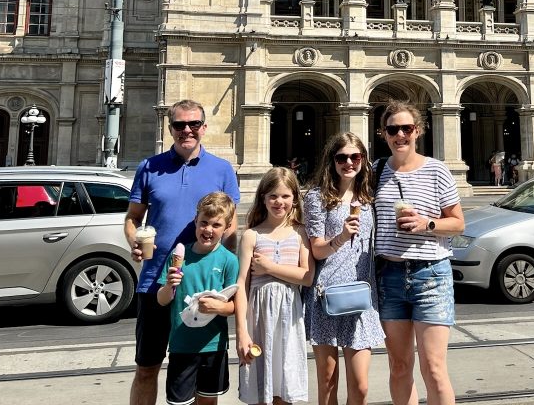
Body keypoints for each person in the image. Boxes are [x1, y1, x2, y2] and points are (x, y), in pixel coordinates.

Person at [125, 99, 241, 405]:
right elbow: (133, 218)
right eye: (179, 125)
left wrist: (226, 281)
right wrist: (135, 241)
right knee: (147, 369)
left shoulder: (222, 169)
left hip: (200, 290)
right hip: (154, 284)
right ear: (170, 127)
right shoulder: (149, 167)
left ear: (204, 127)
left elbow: (229, 228)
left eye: (193, 124)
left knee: (199, 379)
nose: (186, 130)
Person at [373, 100, 464, 405]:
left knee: (434, 368)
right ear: (383, 134)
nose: (400, 134)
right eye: (393, 129)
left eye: (406, 128)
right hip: (389, 276)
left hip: (431, 276)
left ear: (418, 131)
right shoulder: (375, 172)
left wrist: (427, 223)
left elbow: (457, 223)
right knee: (399, 367)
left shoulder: (437, 170)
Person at [303, 133, 385, 405]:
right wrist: (340, 237)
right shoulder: (318, 197)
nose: (349, 162)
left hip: (361, 295)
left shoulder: (369, 195)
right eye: (342, 157)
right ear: (332, 161)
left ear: (363, 159)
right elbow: (317, 250)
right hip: (326, 295)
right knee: (327, 383)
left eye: (355, 156)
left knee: (360, 387)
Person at [236, 168, 314, 405]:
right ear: (263, 198)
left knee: (285, 386)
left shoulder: (300, 233)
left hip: (288, 318)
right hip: (258, 318)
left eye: (285, 196)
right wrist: (241, 331)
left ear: (294, 198)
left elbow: (307, 276)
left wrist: (269, 267)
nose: (279, 202)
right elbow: (241, 284)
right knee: (260, 388)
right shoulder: (252, 235)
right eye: (272, 196)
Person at [157, 193, 240, 405]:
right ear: (196, 221)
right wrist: (169, 285)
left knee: (208, 400)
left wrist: (218, 306)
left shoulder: (229, 261)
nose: (208, 230)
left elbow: (235, 306)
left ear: (227, 227)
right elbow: (162, 300)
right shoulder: (179, 257)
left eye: (216, 225)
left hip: (213, 345)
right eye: (204, 223)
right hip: (181, 344)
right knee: (180, 402)